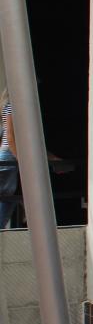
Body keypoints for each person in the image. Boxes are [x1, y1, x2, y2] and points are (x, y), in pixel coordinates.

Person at [0, 90, 19, 229]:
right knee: (7, 197)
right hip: (10, 156)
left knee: (8, 198)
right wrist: (20, 159)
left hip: (9, 155)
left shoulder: (10, 106)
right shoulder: (12, 106)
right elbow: (10, 137)